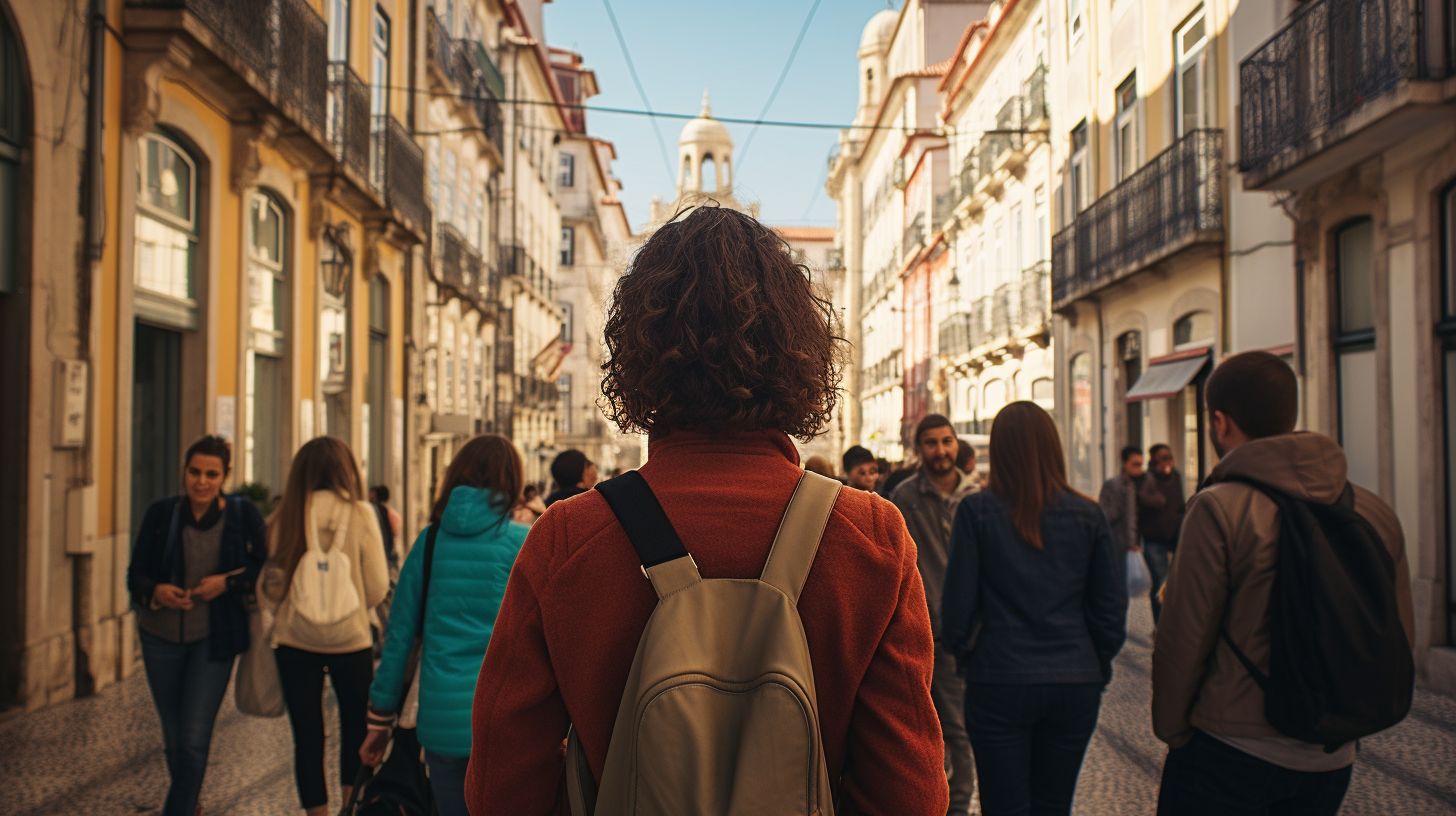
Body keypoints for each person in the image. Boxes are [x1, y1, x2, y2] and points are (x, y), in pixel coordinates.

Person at [465, 206, 948, 813]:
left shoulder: (568, 541)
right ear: (799, 350)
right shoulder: (869, 538)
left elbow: (501, 788)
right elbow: (913, 794)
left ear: (636, 352)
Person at [1152, 352, 1414, 815]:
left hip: (1229, 749)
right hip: (1332, 761)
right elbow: (1398, 634)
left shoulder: (1218, 509)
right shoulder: (1373, 512)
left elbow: (1184, 639)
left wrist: (1174, 731)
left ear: (1219, 421)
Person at [943, 402, 1127, 816]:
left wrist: (968, 655)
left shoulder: (977, 512)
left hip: (999, 679)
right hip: (1073, 681)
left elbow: (956, 609)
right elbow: (1111, 612)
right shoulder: (1088, 514)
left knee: (1004, 806)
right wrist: (1093, 663)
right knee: (1053, 805)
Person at [360, 435, 529, 816]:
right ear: (512, 480)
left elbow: (400, 638)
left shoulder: (429, 542)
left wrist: (380, 720)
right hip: (503, 720)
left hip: (441, 723)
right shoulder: (523, 543)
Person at [128, 435, 268, 816]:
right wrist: (157, 591)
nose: (201, 482)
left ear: (225, 476)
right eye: (194, 472)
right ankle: (190, 803)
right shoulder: (161, 514)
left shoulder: (243, 517)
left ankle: (178, 809)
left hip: (214, 638)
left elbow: (265, 567)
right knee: (173, 738)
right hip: (160, 637)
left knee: (193, 736)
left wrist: (226, 583)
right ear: (184, 473)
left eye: (211, 474)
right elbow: (134, 574)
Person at [261, 437, 390, 816]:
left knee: (307, 735)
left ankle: (316, 813)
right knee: (355, 729)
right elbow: (378, 584)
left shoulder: (284, 515)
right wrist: (348, 609)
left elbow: (272, 585)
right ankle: (349, 807)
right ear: (346, 470)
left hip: (294, 641)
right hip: (351, 640)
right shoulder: (362, 514)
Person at [890, 414, 980, 816]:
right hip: (926, 630)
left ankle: (956, 805)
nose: (941, 450)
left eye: (947, 441)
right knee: (931, 726)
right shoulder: (905, 500)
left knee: (961, 730)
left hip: (976, 633)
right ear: (918, 448)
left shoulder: (980, 497)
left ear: (957, 444)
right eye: (931, 442)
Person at [1138, 443, 1184, 622]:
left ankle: (1172, 620)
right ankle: (1161, 623)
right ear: (1154, 460)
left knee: (1177, 579)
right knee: (1160, 581)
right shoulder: (1147, 478)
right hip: (1154, 537)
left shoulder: (1176, 476)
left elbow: (1179, 503)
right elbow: (1142, 500)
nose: (1168, 461)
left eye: (1169, 457)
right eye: (1163, 458)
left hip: (1174, 534)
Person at [1099, 446, 1146, 554]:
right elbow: (1108, 514)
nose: (1139, 469)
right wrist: (1131, 542)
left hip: (1141, 539)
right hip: (1120, 542)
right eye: (1135, 464)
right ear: (1125, 464)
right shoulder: (1116, 485)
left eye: (1141, 465)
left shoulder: (1145, 481)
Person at [367, 485, 403, 572]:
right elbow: (396, 531)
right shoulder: (390, 512)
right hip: (386, 548)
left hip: (381, 548)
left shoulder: (376, 510)